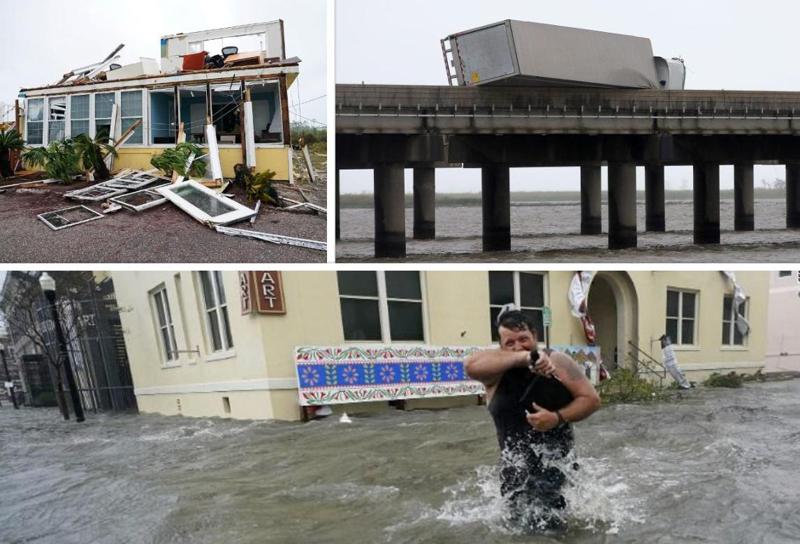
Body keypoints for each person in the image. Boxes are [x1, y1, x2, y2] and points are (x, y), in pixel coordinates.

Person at [465, 309, 601, 531]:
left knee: (556, 530)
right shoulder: (493, 373)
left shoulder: (558, 361)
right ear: (501, 346)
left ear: (535, 336)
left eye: (523, 339)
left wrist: (557, 417)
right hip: (515, 473)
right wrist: (524, 357)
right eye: (510, 343)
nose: (518, 345)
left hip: (558, 467)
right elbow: (470, 365)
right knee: (516, 531)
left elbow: (591, 400)